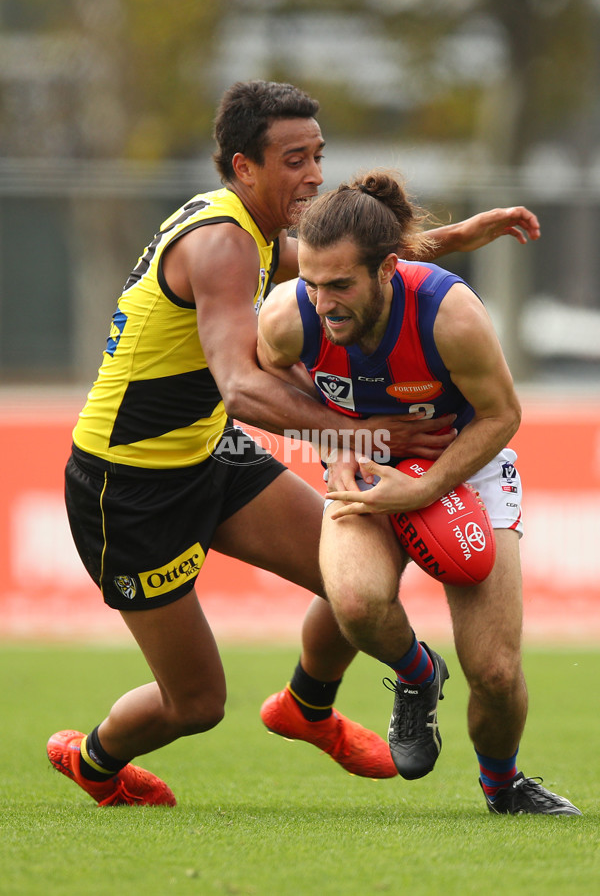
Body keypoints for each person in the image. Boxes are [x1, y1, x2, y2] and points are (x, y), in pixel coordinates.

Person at [47, 79, 543, 806]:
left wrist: (449, 239)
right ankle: (94, 760)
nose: (313, 175)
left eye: (317, 155)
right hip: (129, 484)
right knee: (197, 704)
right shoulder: (220, 243)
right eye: (293, 159)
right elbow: (242, 390)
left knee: (353, 577)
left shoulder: (251, 230)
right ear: (244, 167)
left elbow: (348, 265)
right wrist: (361, 432)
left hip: (208, 452)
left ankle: (306, 706)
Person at [257, 168, 581, 815]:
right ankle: (417, 675)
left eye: (341, 285)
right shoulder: (288, 316)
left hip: (462, 464)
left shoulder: (449, 314)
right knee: (352, 600)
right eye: (314, 283)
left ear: (388, 270)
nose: (324, 302)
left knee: (494, 671)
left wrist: (428, 484)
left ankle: (503, 785)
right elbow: (272, 379)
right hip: (368, 464)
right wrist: (334, 445)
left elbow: (501, 415)